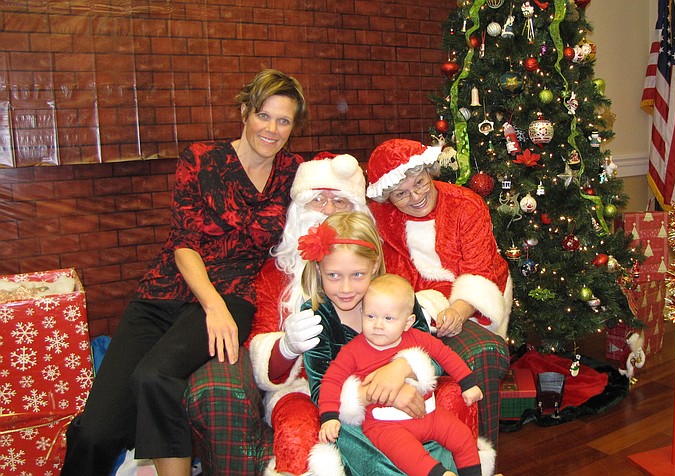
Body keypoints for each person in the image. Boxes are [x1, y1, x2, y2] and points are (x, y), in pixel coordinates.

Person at [62, 70, 307, 476]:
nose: (272, 129)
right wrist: (210, 305)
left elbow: (336, 194)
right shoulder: (200, 158)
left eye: (284, 120)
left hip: (234, 292)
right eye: (264, 115)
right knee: (95, 432)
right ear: (245, 112)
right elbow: (184, 243)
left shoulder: (293, 172)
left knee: (154, 376)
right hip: (167, 290)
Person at [184, 151, 374, 475]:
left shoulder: (373, 264)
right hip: (296, 388)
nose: (327, 212)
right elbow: (261, 347)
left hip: (366, 378)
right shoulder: (276, 273)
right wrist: (286, 347)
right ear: (300, 209)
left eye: (339, 202)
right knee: (298, 433)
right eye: (318, 200)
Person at [298, 212, 494, 476]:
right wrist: (381, 392)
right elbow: (322, 387)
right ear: (319, 269)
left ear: (375, 264)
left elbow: (435, 357)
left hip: (416, 413)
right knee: (385, 459)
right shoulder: (317, 315)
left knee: (444, 445)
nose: (345, 288)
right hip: (360, 422)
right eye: (333, 275)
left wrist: (402, 367)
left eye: (357, 274)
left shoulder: (396, 296)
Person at [365, 138, 512, 447]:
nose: (416, 196)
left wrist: (457, 312)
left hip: (470, 302)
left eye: (420, 183)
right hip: (415, 305)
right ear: (387, 196)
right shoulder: (381, 218)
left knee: (478, 351)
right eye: (401, 194)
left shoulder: (465, 204)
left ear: (430, 173)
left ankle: (477, 457)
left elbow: (480, 271)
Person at [318, 273, 484, 476]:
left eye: (388, 318)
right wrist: (329, 416)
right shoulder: (352, 351)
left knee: (463, 437)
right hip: (385, 425)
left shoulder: (418, 338)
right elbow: (331, 380)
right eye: (370, 316)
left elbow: (445, 355)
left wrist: (468, 383)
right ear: (362, 313)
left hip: (429, 414)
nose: (378, 325)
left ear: (408, 322)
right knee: (409, 456)